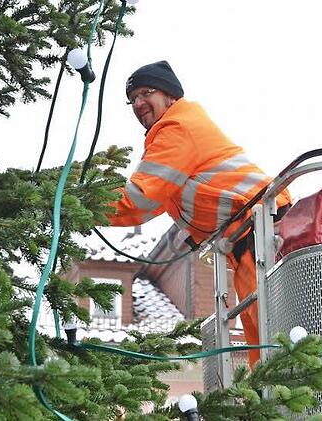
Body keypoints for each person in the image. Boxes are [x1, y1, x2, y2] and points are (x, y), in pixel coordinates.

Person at [107, 60, 291, 365]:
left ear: (169, 95)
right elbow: (159, 201)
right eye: (132, 99)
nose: (138, 104)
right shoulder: (177, 132)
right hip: (252, 242)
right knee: (267, 350)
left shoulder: (177, 129)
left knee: (277, 347)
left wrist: (79, 203)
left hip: (263, 238)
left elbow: (138, 200)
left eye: (145, 93)